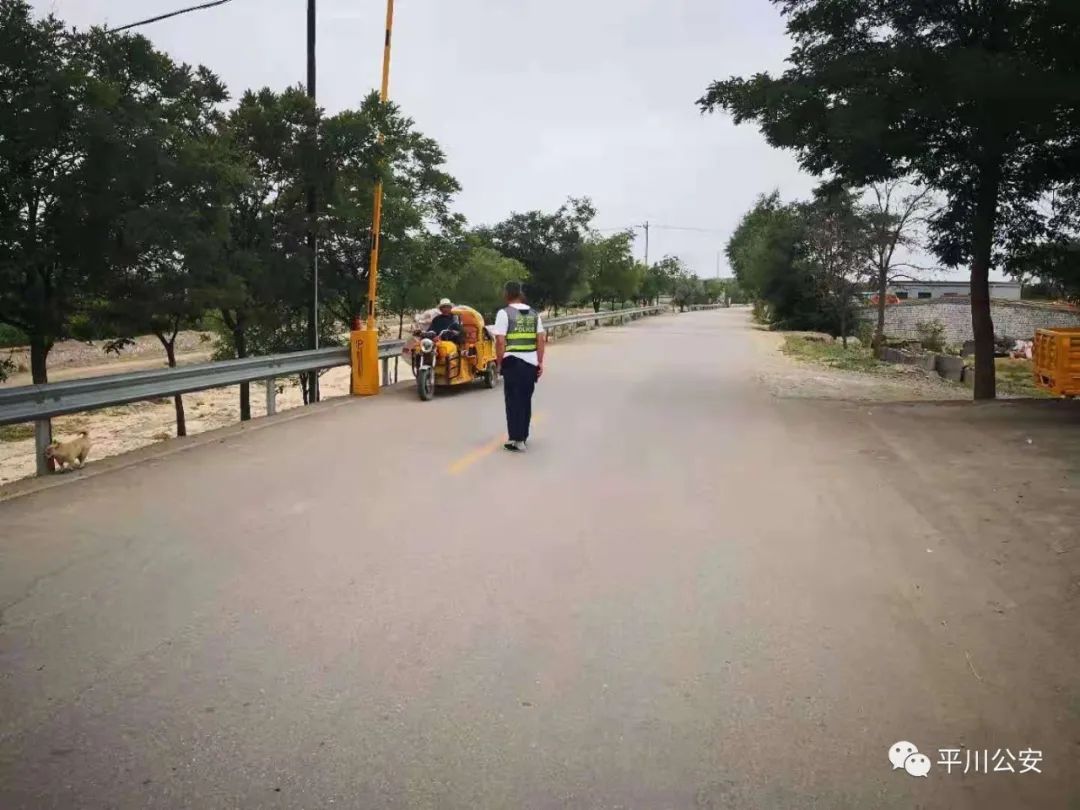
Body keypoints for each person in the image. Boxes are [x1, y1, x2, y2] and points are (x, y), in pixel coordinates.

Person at [490, 281, 545, 452]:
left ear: (506, 294)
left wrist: (499, 363)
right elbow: (540, 339)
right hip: (530, 364)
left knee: (513, 401)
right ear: (520, 293)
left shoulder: (504, 313)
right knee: (525, 400)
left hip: (512, 362)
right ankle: (523, 436)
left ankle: (516, 438)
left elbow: (500, 341)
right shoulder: (534, 314)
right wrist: (540, 362)